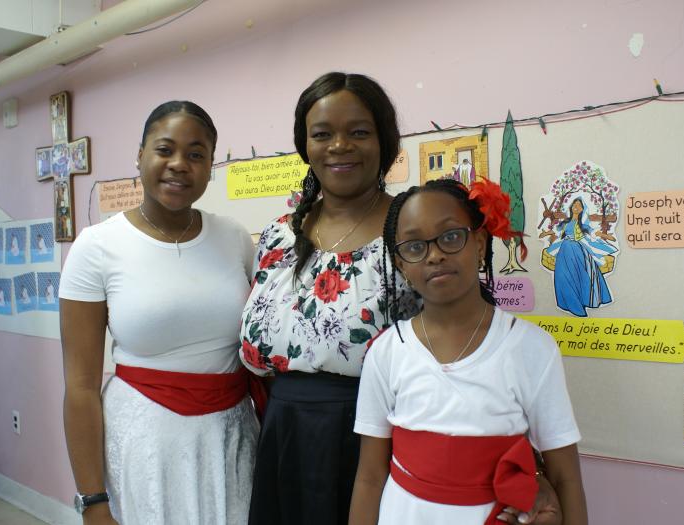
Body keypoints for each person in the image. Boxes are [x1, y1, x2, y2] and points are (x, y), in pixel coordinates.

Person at [241, 72, 556, 525]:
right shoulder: (277, 236)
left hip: (386, 446)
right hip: (285, 443)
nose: (340, 146)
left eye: (359, 132)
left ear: (385, 142)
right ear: (304, 145)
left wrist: (528, 465)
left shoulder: (411, 232)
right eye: (322, 134)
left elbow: (476, 350)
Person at [59, 101, 258, 525]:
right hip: (145, 445)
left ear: (210, 167)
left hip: (231, 438)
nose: (179, 164)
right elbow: (79, 387)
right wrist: (91, 499)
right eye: (164, 149)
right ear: (140, 155)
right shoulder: (96, 247)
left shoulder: (235, 238)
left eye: (196, 154)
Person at [350, 179, 587, 525]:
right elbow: (370, 477)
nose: (434, 254)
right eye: (415, 246)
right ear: (401, 264)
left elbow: (565, 477)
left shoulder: (531, 349)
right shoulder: (386, 352)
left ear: (479, 243)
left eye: (450, 237)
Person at [544, 196, 617, 317]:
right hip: (564, 251)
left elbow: (594, 234)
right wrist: (546, 233)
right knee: (562, 276)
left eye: (579, 205)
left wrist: (608, 236)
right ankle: (567, 303)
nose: (576, 207)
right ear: (571, 207)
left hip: (577, 252)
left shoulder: (584, 225)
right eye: (574, 204)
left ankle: (578, 305)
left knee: (578, 277)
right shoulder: (565, 223)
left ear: (583, 209)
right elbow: (556, 233)